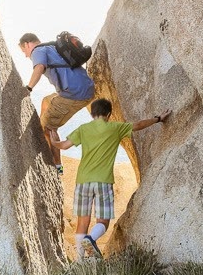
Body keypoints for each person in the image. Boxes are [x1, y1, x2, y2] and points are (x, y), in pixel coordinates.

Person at [51, 98, 171, 259]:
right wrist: (158, 119)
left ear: (92, 113)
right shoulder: (115, 128)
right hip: (103, 181)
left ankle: (80, 262)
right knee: (103, 221)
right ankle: (91, 239)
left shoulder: (83, 129)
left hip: (83, 181)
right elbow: (138, 125)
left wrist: (54, 141)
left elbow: (64, 146)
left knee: (82, 221)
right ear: (109, 114)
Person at [19, 33, 95, 175]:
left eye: (24, 51)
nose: (25, 55)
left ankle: (57, 165)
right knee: (46, 101)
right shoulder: (53, 46)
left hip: (73, 95)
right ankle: (44, 122)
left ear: (28, 44)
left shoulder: (37, 51)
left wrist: (28, 88)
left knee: (49, 127)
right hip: (86, 87)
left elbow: (39, 67)